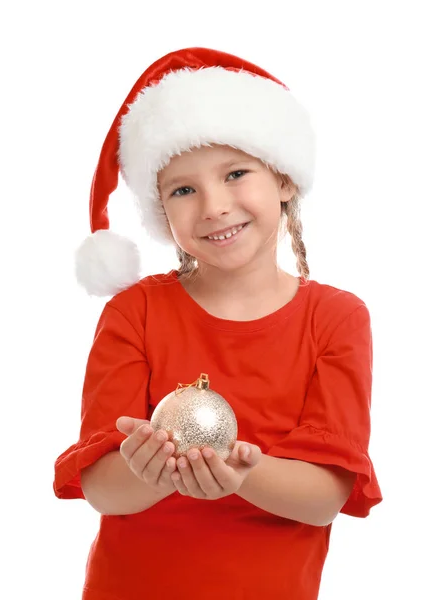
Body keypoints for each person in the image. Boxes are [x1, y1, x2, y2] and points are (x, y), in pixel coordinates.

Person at [53, 47, 383, 600]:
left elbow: (327, 494)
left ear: (282, 179)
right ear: (161, 209)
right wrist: (149, 469)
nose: (213, 206)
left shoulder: (336, 318)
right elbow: (102, 488)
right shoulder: (134, 313)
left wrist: (240, 475)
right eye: (183, 189)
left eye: (235, 173)